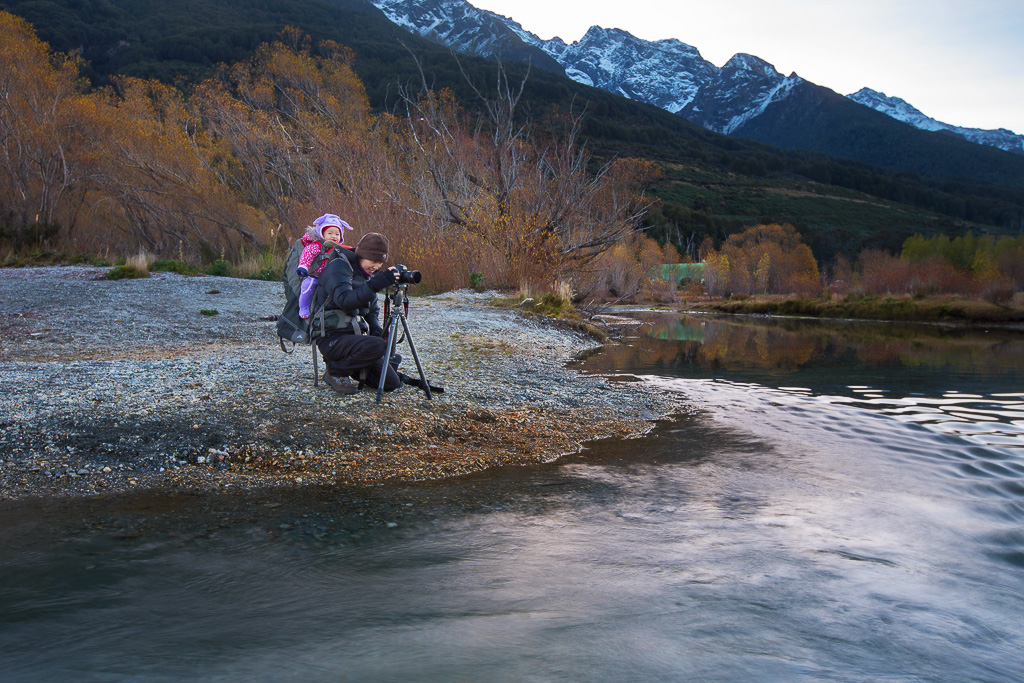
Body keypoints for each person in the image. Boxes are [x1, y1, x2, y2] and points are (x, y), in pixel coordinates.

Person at [314, 232, 403, 395]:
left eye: (380, 262)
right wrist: (375, 285)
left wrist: (376, 328)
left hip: (354, 339)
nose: (376, 266)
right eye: (373, 261)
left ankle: (353, 365)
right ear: (361, 255)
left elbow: (371, 310)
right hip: (331, 337)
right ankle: (334, 370)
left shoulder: (366, 275)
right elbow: (345, 300)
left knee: (391, 382)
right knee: (377, 346)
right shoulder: (339, 266)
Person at [297, 214, 354, 318]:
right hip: (315, 275)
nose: (334, 236)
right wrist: (303, 267)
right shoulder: (316, 245)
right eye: (330, 233)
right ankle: (303, 308)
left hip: (329, 277)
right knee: (307, 287)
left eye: (337, 234)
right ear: (322, 233)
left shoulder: (339, 248)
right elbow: (307, 255)